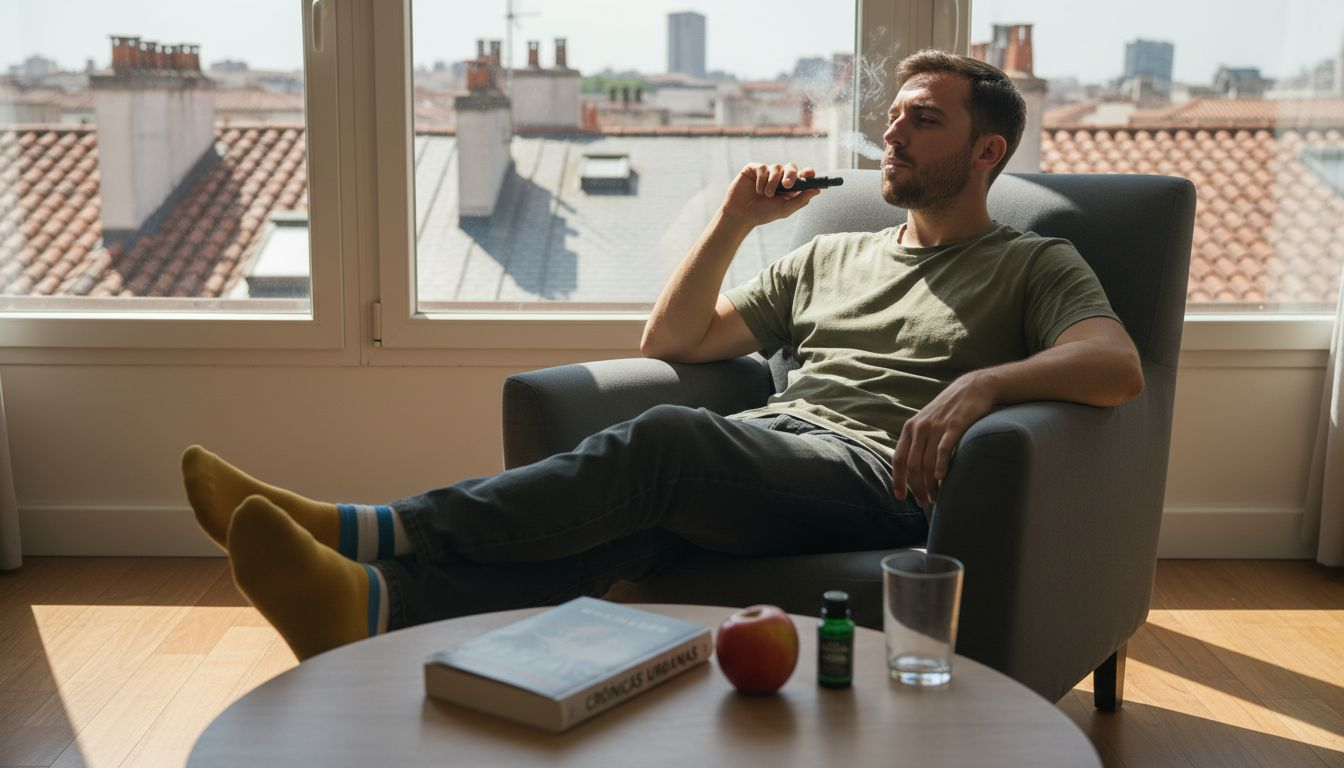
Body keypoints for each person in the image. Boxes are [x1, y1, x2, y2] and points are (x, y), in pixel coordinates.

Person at [182, 50, 1143, 661]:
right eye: (893, 115)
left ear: (987, 152)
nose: (892, 132)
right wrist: (734, 220)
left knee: (670, 441)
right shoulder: (828, 256)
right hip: (776, 453)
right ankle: (375, 608)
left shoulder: (1031, 262)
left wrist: (981, 384)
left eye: (923, 119)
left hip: (875, 473)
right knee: (632, 534)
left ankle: (372, 530)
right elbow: (674, 340)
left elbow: (1116, 364)